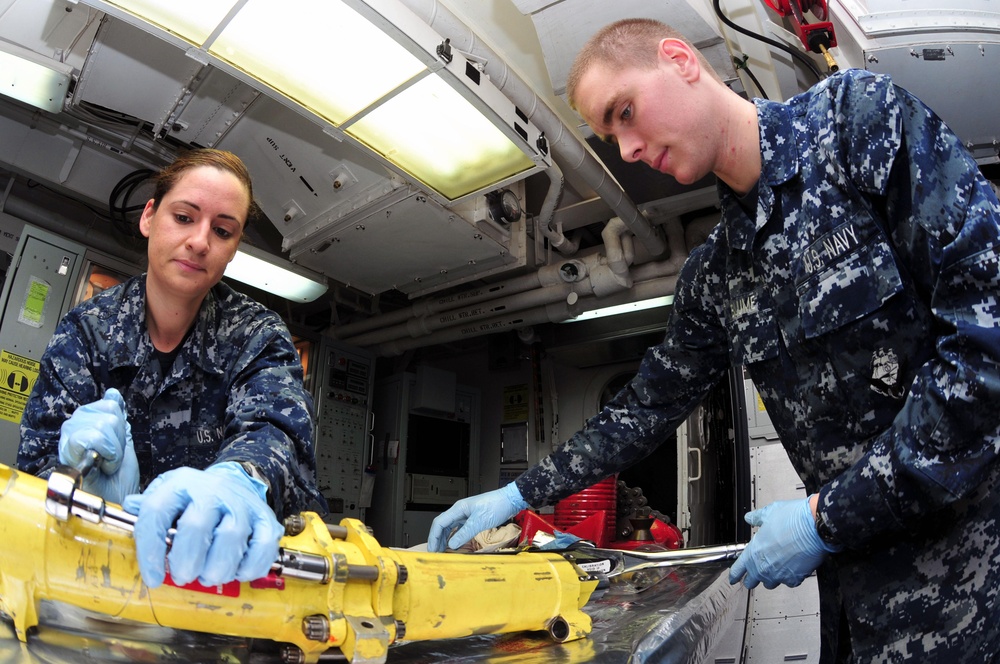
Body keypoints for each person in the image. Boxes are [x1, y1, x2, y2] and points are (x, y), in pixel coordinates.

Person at [427, 17, 1000, 664]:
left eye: (625, 113)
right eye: (612, 137)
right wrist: (517, 494)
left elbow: (988, 338)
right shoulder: (717, 274)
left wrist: (823, 519)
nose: (629, 151)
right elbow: (645, 408)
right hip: (857, 604)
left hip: (975, 581)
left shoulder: (854, 124)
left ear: (680, 60)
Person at [17, 148, 326, 591]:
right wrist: (73, 478)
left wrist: (239, 479)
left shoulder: (257, 334)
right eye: (184, 217)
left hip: (218, 588)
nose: (200, 241)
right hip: (94, 576)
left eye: (222, 230)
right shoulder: (86, 332)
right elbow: (32, 472)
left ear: (233, 249)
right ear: (148, 217)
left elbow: (277, 433)